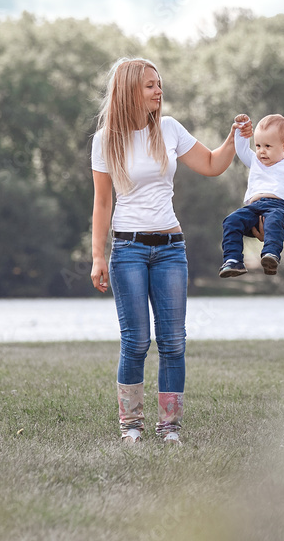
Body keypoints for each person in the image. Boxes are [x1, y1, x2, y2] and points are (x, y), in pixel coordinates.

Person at [90, 57, 251, 444]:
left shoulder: (169, 129)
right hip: (127, 249)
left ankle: (170, 429)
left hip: (170, 249)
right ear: (129, 89)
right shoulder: (105, 140)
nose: (159, 91)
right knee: (136, 341)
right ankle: (131, 427)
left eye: (159, 84)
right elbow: (101, 203)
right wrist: (98, 255)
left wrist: (233, 138)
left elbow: (212, 164)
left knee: (174, 341)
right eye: (150, 85)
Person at [219, 113, 284, 277]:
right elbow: (242, 149)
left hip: (278, 209)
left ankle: (270, 255)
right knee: (231, 221)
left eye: (268, 146)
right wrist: (241, 128)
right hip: (253, 209)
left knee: (274, 221)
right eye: (258, 146)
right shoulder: (256, 162)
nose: (261, 151)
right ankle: (233, 260)